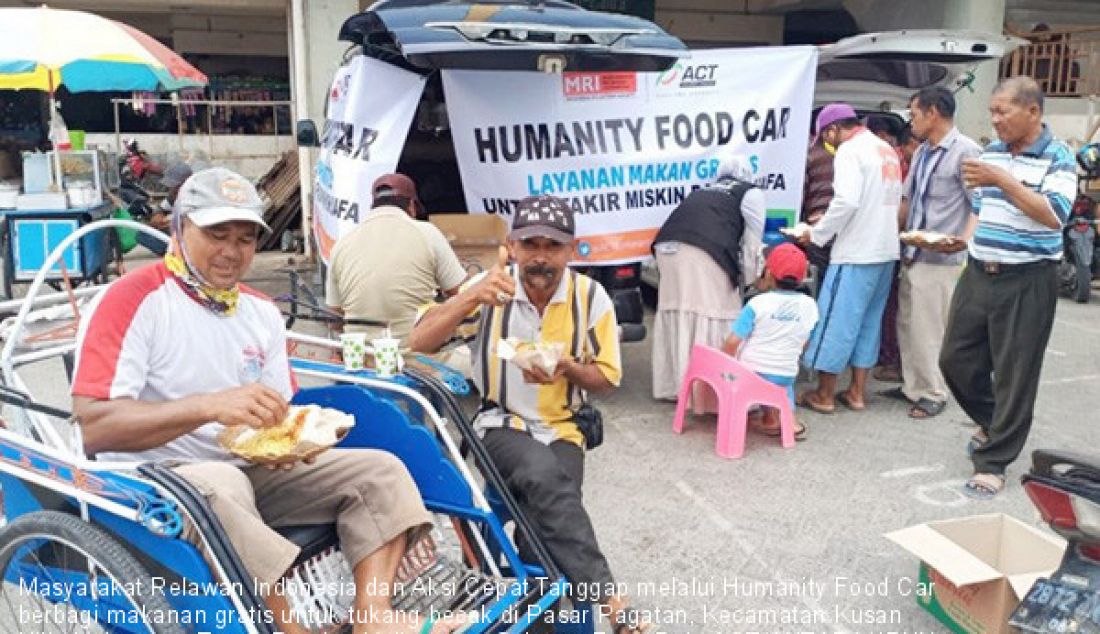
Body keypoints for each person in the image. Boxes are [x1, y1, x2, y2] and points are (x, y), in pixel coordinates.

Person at [71, 167, 462, 634]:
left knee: (381, 470)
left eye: (245, 239)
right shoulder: (132, 299)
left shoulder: (259, 311)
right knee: (221, 483)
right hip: (151, 481)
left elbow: (279, 410)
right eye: (217, 234)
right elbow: (95, 425)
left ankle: (372, 619)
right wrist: (209, 406)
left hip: (243, 470)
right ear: (178, 228)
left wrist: (286, 441)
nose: (231, 253)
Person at [409, 195, 652, 633]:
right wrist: (468, 299)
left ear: (571, 249)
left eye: (553, 246)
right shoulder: (490, 288)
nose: (541, 257)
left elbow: (607, 380)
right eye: (531, 244)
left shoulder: (591, 297)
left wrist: (567, 368)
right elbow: (420, 340)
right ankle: (611, 599)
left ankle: (533, 614)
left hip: (564, 426)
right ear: (512, 246)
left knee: (545, 511)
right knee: (543, 477)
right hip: (500, 424)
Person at [940, 76, 1077, 499]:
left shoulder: (1059, 157)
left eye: (1003, 111)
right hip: (981, 269)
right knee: (954, 360)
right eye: (992, 111)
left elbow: (1054, 215)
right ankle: (997, 423)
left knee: (1016, 373)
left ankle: (993, 461)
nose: (994, 119)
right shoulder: (993, 153)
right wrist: (962, 239)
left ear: (1032, 112)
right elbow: (982, 209)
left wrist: (1002, 180)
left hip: (1028, 277)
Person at [883, 87, 982, 420]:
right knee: (908, 323)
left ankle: (933, 392)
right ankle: (913, 385)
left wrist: (964, 240)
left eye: (914, 114)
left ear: (934, 112)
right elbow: (909, 201)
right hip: (914, 250)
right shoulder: (924, 152)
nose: (911, 121)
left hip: (942, 257)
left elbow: (979, 203)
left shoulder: (966, 151)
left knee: (930, 328)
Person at [797, 103, 902, 414]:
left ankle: (824, 394)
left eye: (826, 136)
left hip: (856, 251)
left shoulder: (849, 150)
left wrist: (816, 234)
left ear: (832, 129)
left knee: (836, 321)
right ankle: (856, 393)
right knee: (869, 323)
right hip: (885, 250)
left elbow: (845, 202)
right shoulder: (885, 149)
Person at [650, 152, 765, 405]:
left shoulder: (704, 191)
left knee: (680, 311)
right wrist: (749, 279)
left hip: (666, 248)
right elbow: (752, 243)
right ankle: (709, 396)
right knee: (718, 310)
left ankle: (678, 387)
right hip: (703, 250)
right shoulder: (751, 192)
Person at [326, 173, 467, 343]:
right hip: (420, 358)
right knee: (475, 356)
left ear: (373, 206)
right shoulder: (428, 233)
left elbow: (334, 318)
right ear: (412, 206)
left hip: (363, 358)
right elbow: (462, 294)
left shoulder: (342, 244)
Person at [722, 243, 818, 439]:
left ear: (769, 273)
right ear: (802, 277)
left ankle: (770, 419)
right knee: (782, 386)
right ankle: (789, 423)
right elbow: (805, 342)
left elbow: (732, 342)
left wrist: (727, 367)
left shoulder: (757, 303)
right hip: (786, 371)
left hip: (753, 372)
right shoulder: (810, 305)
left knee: (760, 373)